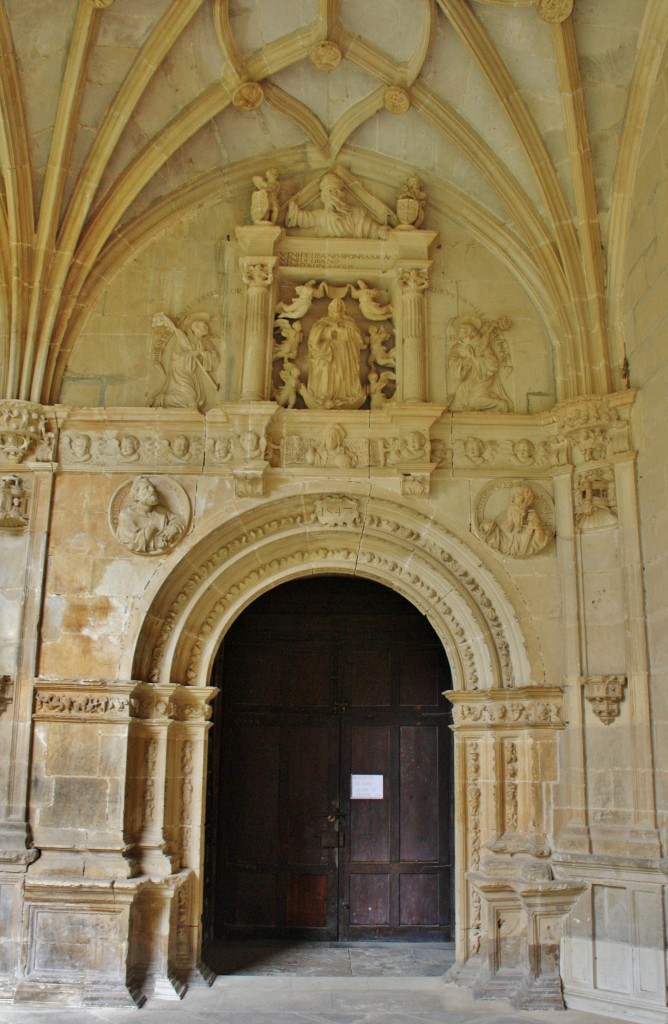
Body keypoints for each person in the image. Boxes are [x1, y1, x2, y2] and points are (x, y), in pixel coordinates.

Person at [301, 298, 367, 409]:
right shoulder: (323, 322)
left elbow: (358, 339)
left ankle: (345, 396)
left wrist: (343, 331)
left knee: (343, 373)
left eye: (339, 303)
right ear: (330, 307)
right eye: (334, 304)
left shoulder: (349, 322)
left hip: (344, 353)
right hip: (328, 353)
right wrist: (331, 330)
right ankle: (325, 396)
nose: (337, 305)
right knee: (327, 371)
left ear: (343, 307)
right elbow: (314, 336)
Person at [286, 173, 389, 239]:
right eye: (327, 192)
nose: (330, 195)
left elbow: (369, 228)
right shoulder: (321, 216)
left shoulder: (356, 214)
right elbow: (303, 218)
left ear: (341, 194)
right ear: (323, 197)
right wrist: (292, 209)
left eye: (333, 191)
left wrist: (379, 232)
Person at [150, 312, 219, 410]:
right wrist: (194, 353)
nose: (208, 327)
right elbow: (176, 358)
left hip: (195, 377)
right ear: (196, 329)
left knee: (196, 399)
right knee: (190, 398)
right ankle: (161, 400)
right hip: (181, 375)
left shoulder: (205, 342)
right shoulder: (183, 340)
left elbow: (212, 362)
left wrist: (204, 355)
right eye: (204, 326)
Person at [447, 315, 512, 413]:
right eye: (459, 329)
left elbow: (493, 363)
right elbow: (452, 364)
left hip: (482, 378)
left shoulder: (481, 345)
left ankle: (501, 405)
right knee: (459, 403)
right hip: (466, 381)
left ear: (470, 332)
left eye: (462, 329)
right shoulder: (456, 348)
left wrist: (473, 358)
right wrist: (465, 361)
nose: (459, 331)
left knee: (474, 402)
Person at [116, 476, 184, 554]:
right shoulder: (126, 516)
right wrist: (151, 531)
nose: (152, 490)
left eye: (153, 488)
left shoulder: (161, 511)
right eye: (146, 488)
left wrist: (174, 527)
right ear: (136, 495)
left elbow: (179, 519)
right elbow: (132, 542)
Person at [481, 485, 552, 557]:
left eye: (518, 495)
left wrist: (537, 526)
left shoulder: (534, 519)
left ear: (526, 500)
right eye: (514, 496)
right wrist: (487, 526)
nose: (514, 498)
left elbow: (541, 543)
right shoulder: (501, 519)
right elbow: (489, 531)